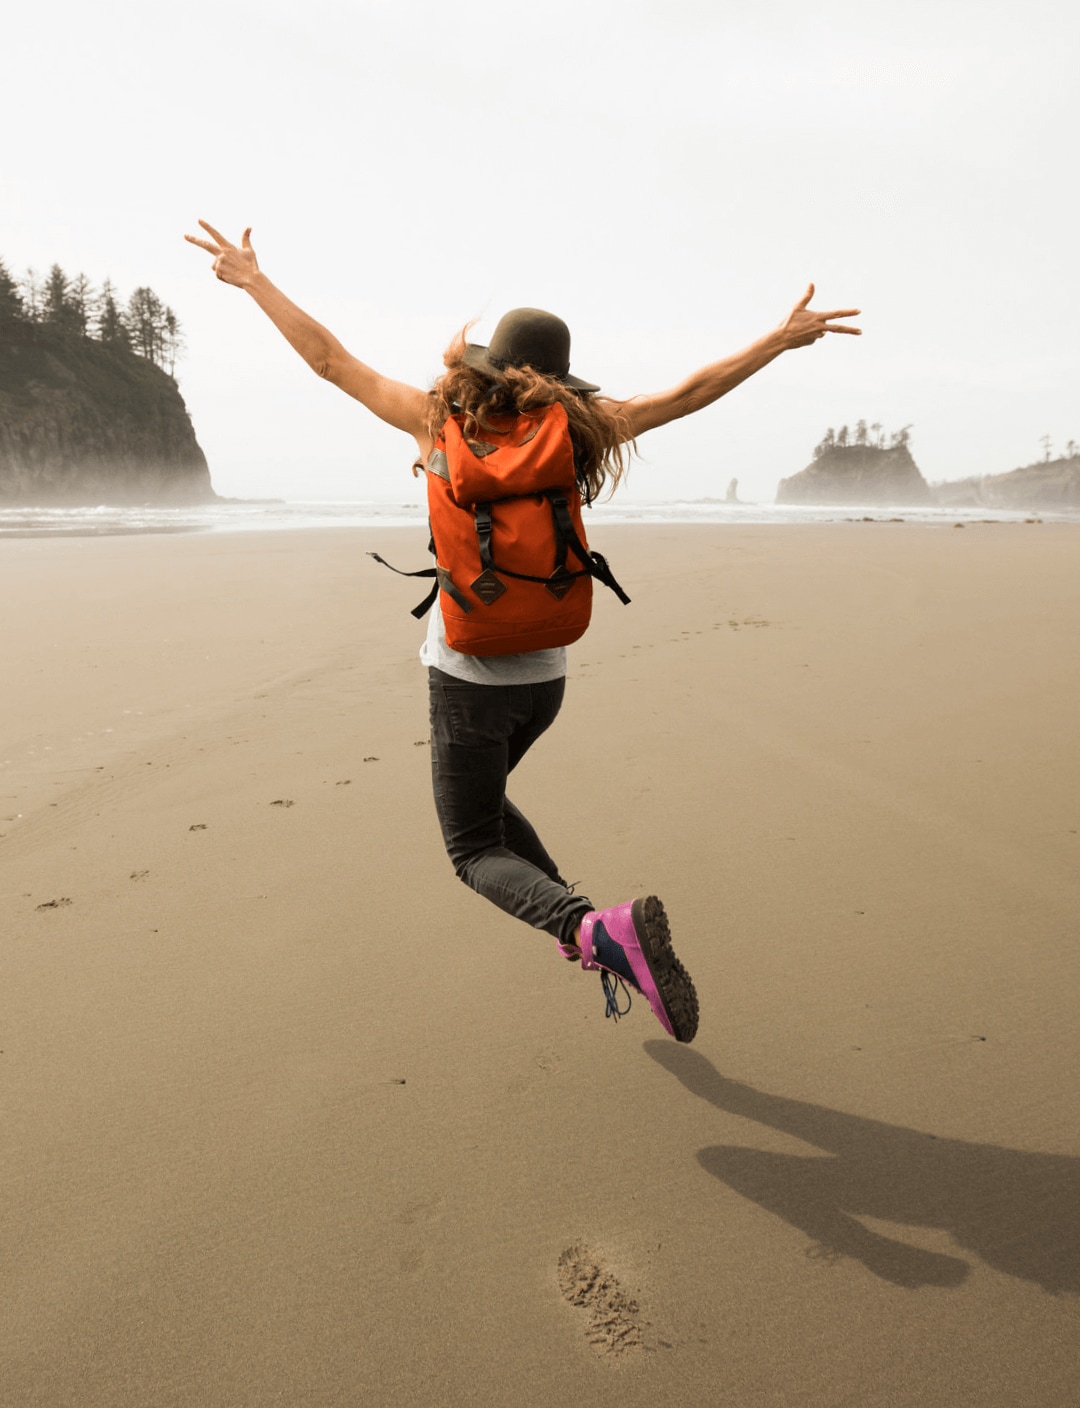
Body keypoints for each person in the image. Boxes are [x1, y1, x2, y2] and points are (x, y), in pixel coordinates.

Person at [185, 220, 860, 1043]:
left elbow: (329, 360)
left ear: (486, 364)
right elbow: (687, 394)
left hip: (466, 676)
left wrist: (254, 282)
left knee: (471, 848)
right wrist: (777, 342)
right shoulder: (580, 431)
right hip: (545, 677)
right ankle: (598, 932)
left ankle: (594, 930)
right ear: (560, 377)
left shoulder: (436, 424)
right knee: (488, 806)